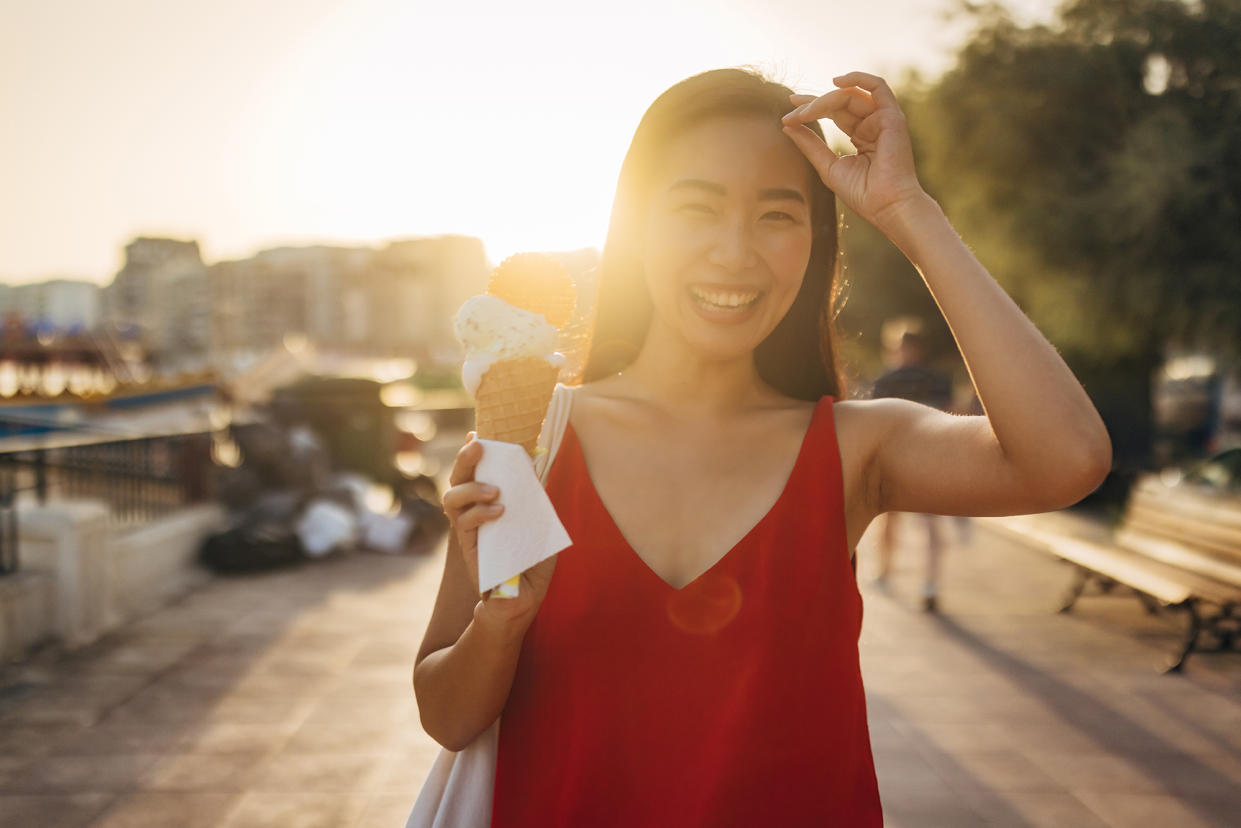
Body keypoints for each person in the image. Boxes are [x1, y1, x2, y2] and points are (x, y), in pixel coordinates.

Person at [414, 67, 1111, 825]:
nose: (734, 253)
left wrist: (908, 213)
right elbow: (446, 716)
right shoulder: (529, 448)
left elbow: (1067, 458)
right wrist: (501, 624)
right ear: (637, 228)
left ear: (815, 244)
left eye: (777, 216)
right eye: (695, 209)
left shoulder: (856, 447)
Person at [868, 326, 957, 613]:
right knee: (930, 526)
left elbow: (874, 425)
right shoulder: (940, 382)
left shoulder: (885, 381)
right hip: (931, 461)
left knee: (888, 520)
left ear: (898, 348)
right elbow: (953, 418)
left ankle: (884, 572)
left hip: (894, 462)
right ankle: (930, 585)